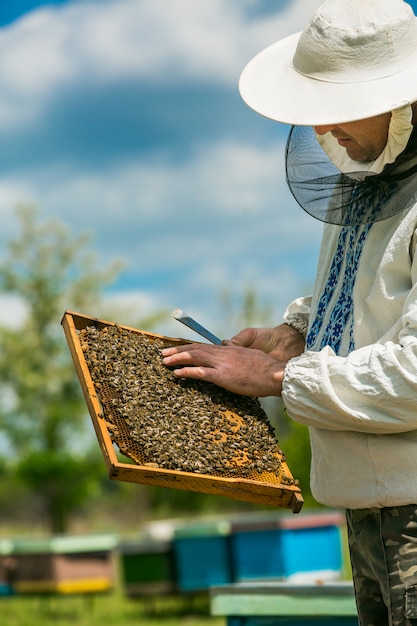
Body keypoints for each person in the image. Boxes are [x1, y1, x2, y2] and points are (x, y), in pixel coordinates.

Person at [162, 1, 417, 624]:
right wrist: (294, 333)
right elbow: (365, 293)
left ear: (401, 99)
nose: (324, 133)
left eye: (338, 110)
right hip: (366, 504)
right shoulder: (370, 185)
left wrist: (276, 379)